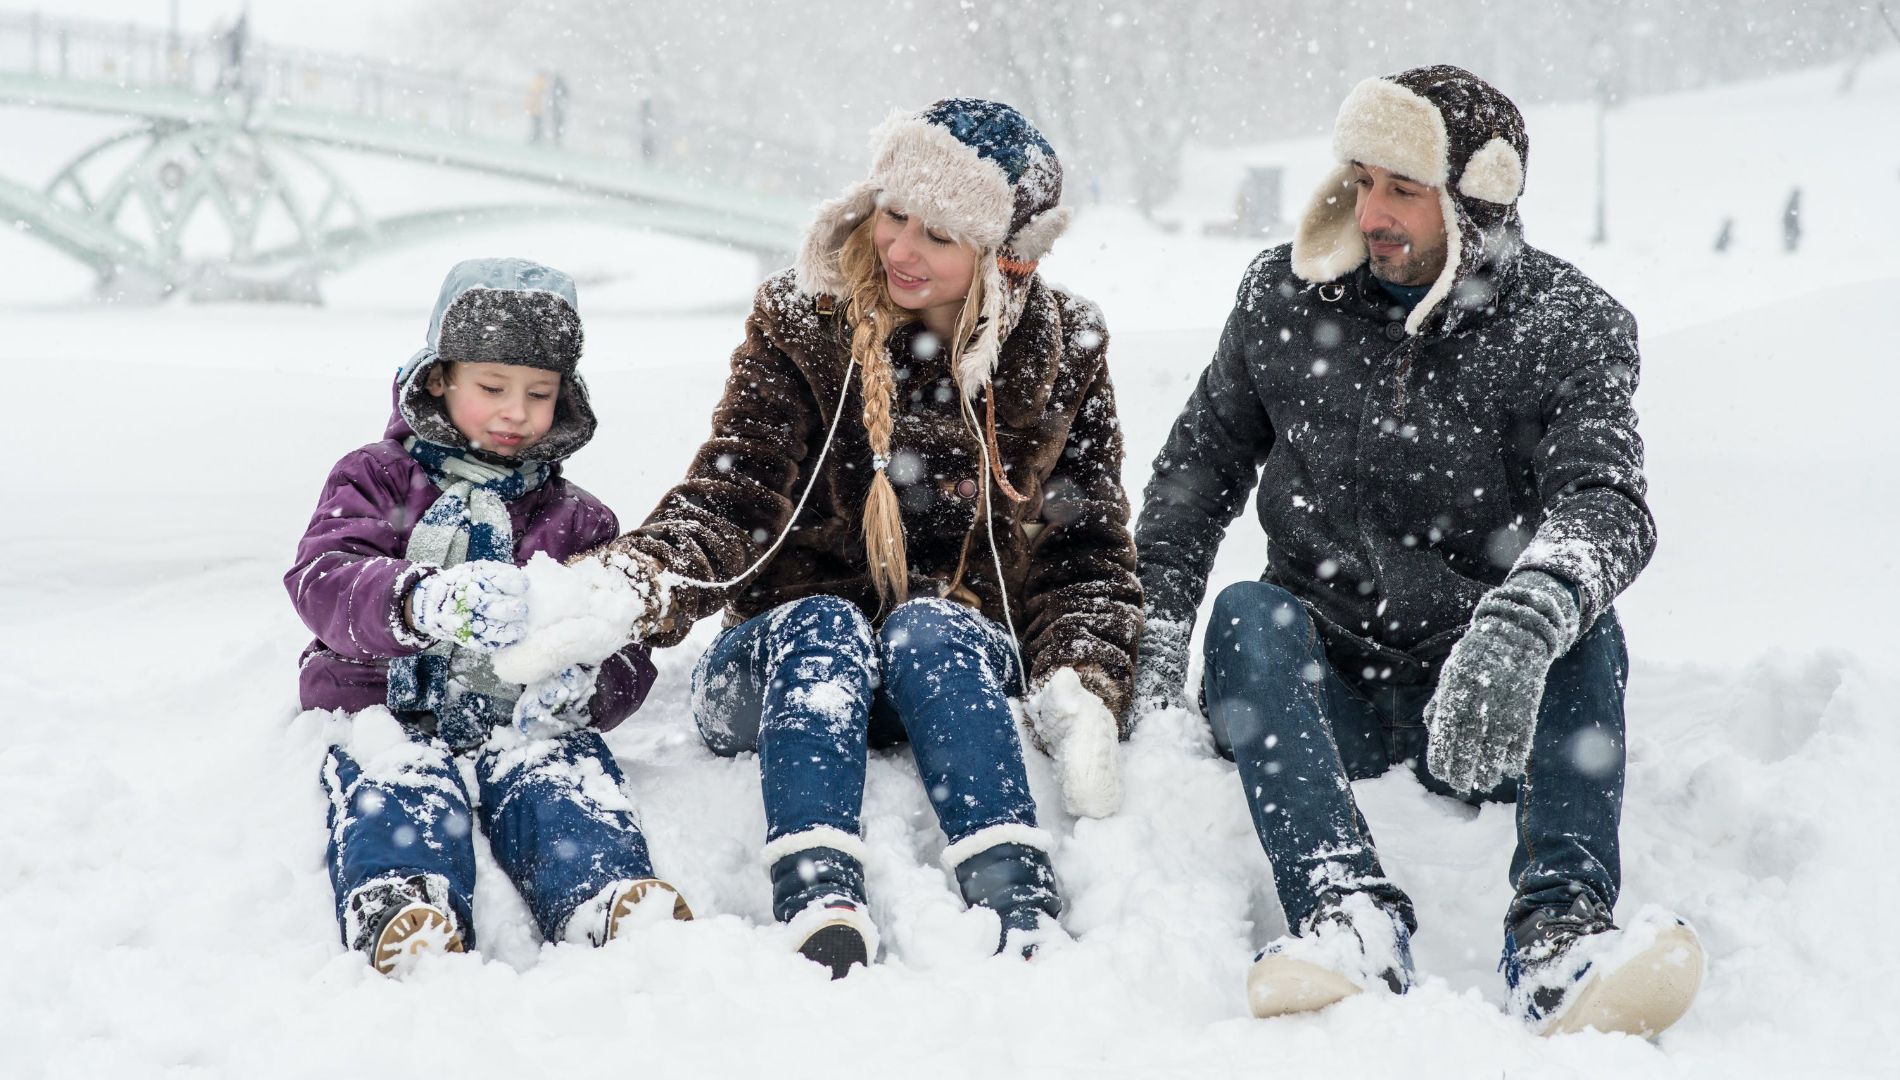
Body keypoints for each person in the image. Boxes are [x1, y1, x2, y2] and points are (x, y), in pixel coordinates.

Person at [1133, 66, 1702, 1037]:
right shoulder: (1282, 296)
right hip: (1322, 690)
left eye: (1402, 188)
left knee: (1585, 625)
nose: (1372, 210)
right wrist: (1146, 644)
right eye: (1360, 180)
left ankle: (1561, 935)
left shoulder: (1567, 326)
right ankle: (1344, 912)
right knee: (1243, 616)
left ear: (1473, 202)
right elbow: (1194, 478)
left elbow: (1606, 500)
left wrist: (1522, 625)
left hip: (1487, 703)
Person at [573, 99, 1141, 976]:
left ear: (1003, 257)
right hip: (783, 666)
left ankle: (1014, 891)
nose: (900, 249)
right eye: (895, 213)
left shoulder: (1066, 348)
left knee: (933, 626)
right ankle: (818, 888)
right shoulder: (804, 319)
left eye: (940, 235)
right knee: (825, 628)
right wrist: (636, 581)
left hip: (945, 674)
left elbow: (1087, 548)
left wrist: (1084, 677)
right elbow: (735, 491)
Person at [287, 258, 691, 976]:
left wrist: (589, 688)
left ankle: (602, 891)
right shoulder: (376, 478)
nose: (516, 412)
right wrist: (419, 600)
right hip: (382, 703)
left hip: (519, 718)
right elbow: (324, 577)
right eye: (493, 387)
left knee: (561, 776)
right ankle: (403, 898)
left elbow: (621, 643)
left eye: (539, 393)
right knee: (398, 779)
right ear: (439, 377)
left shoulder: (579, 520)